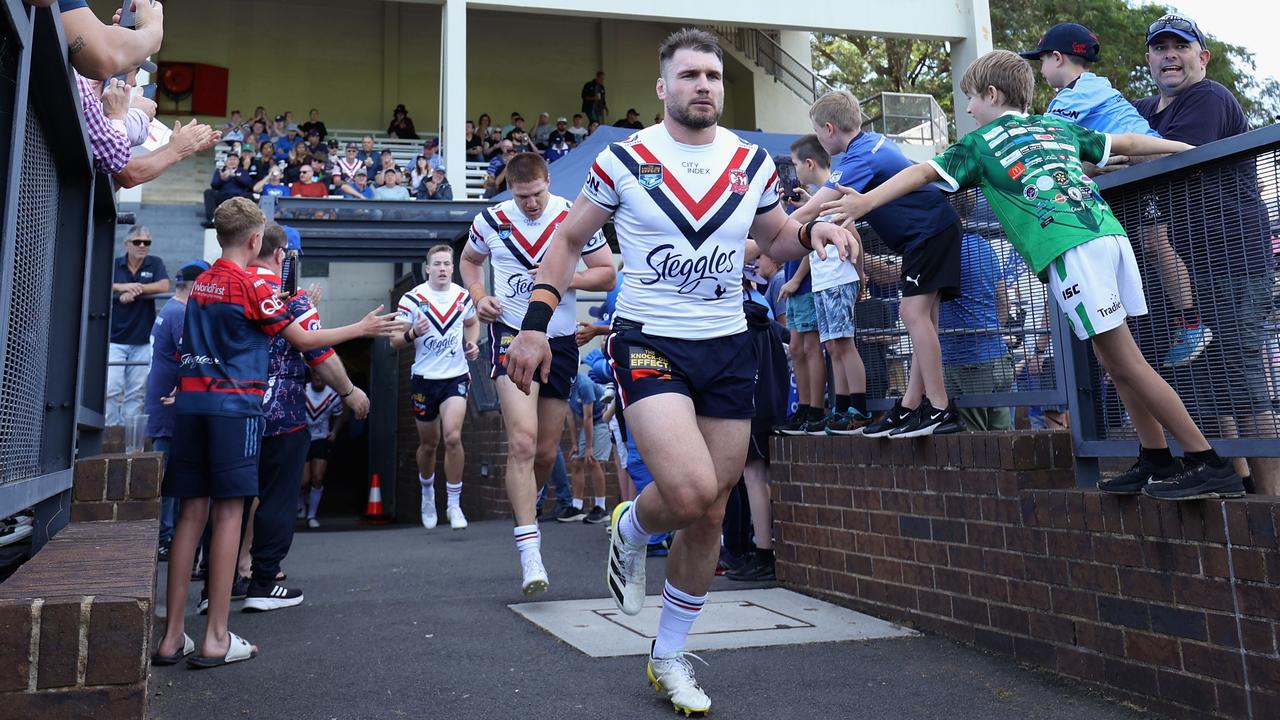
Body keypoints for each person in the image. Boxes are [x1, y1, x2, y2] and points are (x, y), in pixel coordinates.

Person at [502, 29, 856, 715]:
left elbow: (775, 238)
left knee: (711, 511)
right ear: (663, 88)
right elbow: (570, 241)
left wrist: (819, 232)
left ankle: (668, 655)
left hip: (728, 345)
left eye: (713, 76)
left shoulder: (751, 161)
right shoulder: (624, 159)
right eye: (690, 75)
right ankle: (633, 526)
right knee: (690, 490)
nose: (704, 86)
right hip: (648, 340)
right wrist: (533, 325)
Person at [820, 49, 1243, 501]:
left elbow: (921, 172)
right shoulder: (1053, 125)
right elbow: (1125, 143)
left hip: (1068, 248)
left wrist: (865, 203)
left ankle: (1205, 461)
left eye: (970, 99)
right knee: (1115, 359)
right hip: (1109, 237)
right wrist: (1185, 149)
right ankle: (1155, 456)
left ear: (991, 94)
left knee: (1127, 361)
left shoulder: (980, 145)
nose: (967, 110)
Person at [151, 198, 401, 669]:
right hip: (235, 411)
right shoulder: (249, 285)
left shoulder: (199, 283)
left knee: (189, 516)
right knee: (229, 514)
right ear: (253, 240)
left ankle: (171, 638)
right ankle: (217, 638)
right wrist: (362, 327)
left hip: (192, 408)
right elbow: (305, 341)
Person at [1133, 14, 1279, 493]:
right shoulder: (1142, 111)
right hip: (1187, 267)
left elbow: (1168, 154)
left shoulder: (1208, 97)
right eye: (1160, 47)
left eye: (1181, 45)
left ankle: (1272, 498)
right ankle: (1235, 488)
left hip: (1236, 259)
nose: (1169, 54)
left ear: (1202, 56)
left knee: (1243, 377)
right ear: (1149, 58)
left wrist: (1112, 154)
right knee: (1204, 382)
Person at [460, 152, 615, 595]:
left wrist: (565, 279)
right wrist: (477, 295)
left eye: (537, 194)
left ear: (550, 183)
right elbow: (470, 262)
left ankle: (528, 504)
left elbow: (606, 274)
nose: (530, 203)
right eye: (521, 195)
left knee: (547, 452)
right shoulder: (490, 220)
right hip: (511, 335)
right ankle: (530, 550)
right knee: (523, 441)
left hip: (562, 341)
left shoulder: (574, 214)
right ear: (509, 189)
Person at [798, 90, 965, 438]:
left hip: (929, 231)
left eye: (817, 131)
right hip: (929, 231)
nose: (817, 138)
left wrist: (769, 236)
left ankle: (939, 407)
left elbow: (814, 210)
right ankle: (910, 405)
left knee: (912, 314)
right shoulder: (873, 142)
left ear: (829, 129)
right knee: (924, 320)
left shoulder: (857, 159)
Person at [243, 223, 372, 611]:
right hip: (281, 417)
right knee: (276, 499)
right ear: (285, 255)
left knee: (230, 499)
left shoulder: (229, 288)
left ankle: (217, 585)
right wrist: (350, 392)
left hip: (231, 412)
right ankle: (263, 581)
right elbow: (319, 355)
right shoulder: (292, 300)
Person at [391, 245, 481, 530]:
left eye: (447, 264)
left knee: (453, 437)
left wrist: (472, 343)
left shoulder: (462, 295)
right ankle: (427, 491)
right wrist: (413, 332)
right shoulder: (412, 298)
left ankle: (454, 504)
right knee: (429, 445)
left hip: (455, 376)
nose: (442, 268)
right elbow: (394, 341)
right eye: (437, 264)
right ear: (427, 268)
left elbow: (472, 321)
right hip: (424, 379)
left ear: (453, 268)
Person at [147, 259, 208, 561]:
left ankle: (165, 536)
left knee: (168, 476)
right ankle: (164, 538)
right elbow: (191, 358)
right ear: (197, 285)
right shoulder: (181, 312)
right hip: (169, 408)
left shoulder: (169, 309)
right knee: (169, 480)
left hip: (162, 406)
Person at [774, 139, 828, 435]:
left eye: (793, 165)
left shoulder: (822, 196)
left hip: (808, 283)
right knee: (796, 347)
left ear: (808, 164)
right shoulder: (808, 200)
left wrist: (795, 279)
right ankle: (805, 408)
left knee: (809, 347)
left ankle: (815, 409)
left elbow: (814, 240)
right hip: (795, 281)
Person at [1019, 23, 1159, 136]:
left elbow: (1046, 140)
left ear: (1057, 58)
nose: (1041, 69)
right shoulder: (1097, 86)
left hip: (1155, 165)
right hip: (1160, 158)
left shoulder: (1074, 95)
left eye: (1042, 60)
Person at [937, 228, 1013, 431]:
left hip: (966, 361)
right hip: (997, 356)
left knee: (974, 442)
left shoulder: (944, 247)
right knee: (1004, 438)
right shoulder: (984, 246)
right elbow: (1004, 301)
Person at [108, 227, 169, 426]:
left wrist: (137, 290)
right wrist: (123, 287)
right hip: (115, 337)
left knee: (136, 392)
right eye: (137, 242)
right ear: (127, 244)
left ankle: (127, 437)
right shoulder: (115, 264)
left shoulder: (155, 262)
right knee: (111, 389)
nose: (142, 246)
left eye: (146, 242)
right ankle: (108, 433)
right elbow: (102, 282)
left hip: (142, 338)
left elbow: (164, 285)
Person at [566, 369, 610, 524]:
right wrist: (574, 444)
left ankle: (601, 508)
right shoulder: (564, 384)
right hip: (588, 423)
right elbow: (570, 415)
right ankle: (577, 507)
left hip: (602, 419)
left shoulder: (583, 384)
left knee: (592, 460)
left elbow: (589, 416)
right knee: (576, 460)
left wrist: (589, 447)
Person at [301, 376, 344, 529]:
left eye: (322, 377)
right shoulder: (302, 390)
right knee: (304, 480)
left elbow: (340, 415)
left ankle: (311, 516)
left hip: (321, 439)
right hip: (303, 438)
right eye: (316, 376)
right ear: (311, 375)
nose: (319, 379)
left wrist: (334, 432)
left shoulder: (333, 395)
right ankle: (302, 503)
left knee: (318, 477)